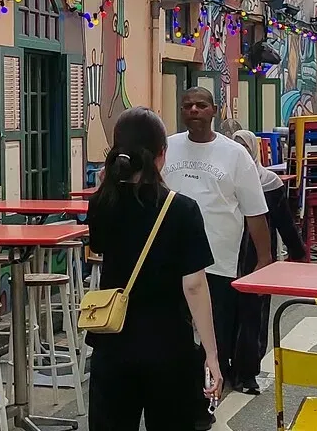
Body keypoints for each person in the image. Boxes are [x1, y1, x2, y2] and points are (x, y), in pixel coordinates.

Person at [85, 107, 222, 430]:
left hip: (112, 343)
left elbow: (101, 248)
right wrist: (212, 355)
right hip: (168, 345)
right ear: (162, 154)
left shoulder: (101, 203)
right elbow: (194, 286)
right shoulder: (182, 210)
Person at [163, 87, 271, 415]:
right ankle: (176, 401)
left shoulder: (234, 155)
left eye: (201, 105)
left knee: (214, 338)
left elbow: (255, 211)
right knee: (174, 337)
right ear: (181, 111)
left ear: (214, 110)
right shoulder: (167, 147)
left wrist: (264, 260)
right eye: (187, 105)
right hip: (169, 262)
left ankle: (205, 403)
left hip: (218, 263)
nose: (194, 110)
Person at [229, 129, 307, 395]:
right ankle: (245, 373)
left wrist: (297, 252)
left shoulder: (231, 179)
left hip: (236, 256)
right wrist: (298, 253)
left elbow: (284, 223)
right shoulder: (269, 182)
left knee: (236, 313)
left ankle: (237, 370)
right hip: (253, 256)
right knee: (252, 314)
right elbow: (286, 223)